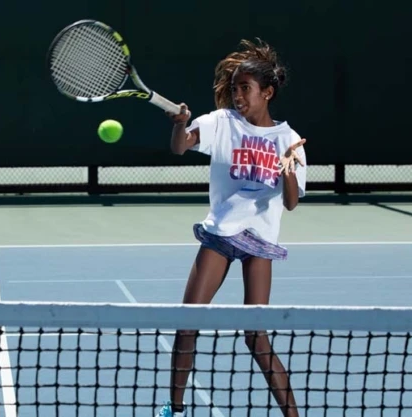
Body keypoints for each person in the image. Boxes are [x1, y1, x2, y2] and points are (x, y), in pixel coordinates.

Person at [154, 38, 307, 417]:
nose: (238, 96)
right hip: (220, 236)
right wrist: (181, 125)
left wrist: (287, 168)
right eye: (235, 88)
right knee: (187, 323)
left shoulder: (289, 140)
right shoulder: (222, 123)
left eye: (246, 89)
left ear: (267, 92)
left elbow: (291, 202)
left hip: (260, 243)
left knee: (256, 337)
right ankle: (175, 409)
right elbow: (181, 146)